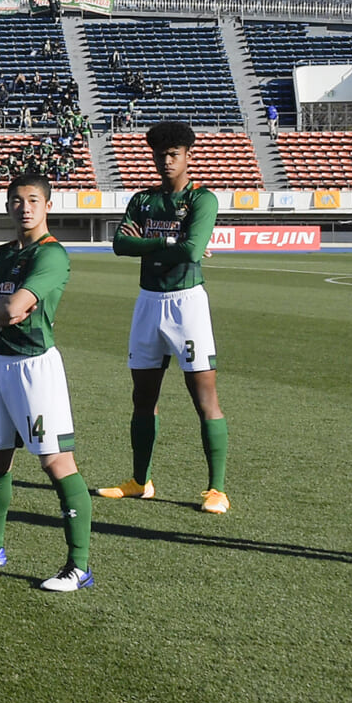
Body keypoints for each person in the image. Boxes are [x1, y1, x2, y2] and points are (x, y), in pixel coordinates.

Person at [0, 173, 97, 593]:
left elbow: (13, 306)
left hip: (34, 368)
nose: (24, 207)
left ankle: (78, 566)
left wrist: (1, 309)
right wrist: (3, 311)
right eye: (16, 200)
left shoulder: (51, 256)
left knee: (56, 463)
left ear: (48, 205)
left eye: (33, 200)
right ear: (7, 205)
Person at [97, 122, 229, 513]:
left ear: (189, 156)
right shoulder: (142, 200)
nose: (166, 161)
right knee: (143, 397)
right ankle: (140, 480)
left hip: (187, 303)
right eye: (160, 154)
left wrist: (154, 244)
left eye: (174, 154)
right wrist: (169, 241)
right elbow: (121, 244)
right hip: (148, 302)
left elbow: (192, 252)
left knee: (203, 398)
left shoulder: (202, 199)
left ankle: (216, 489)